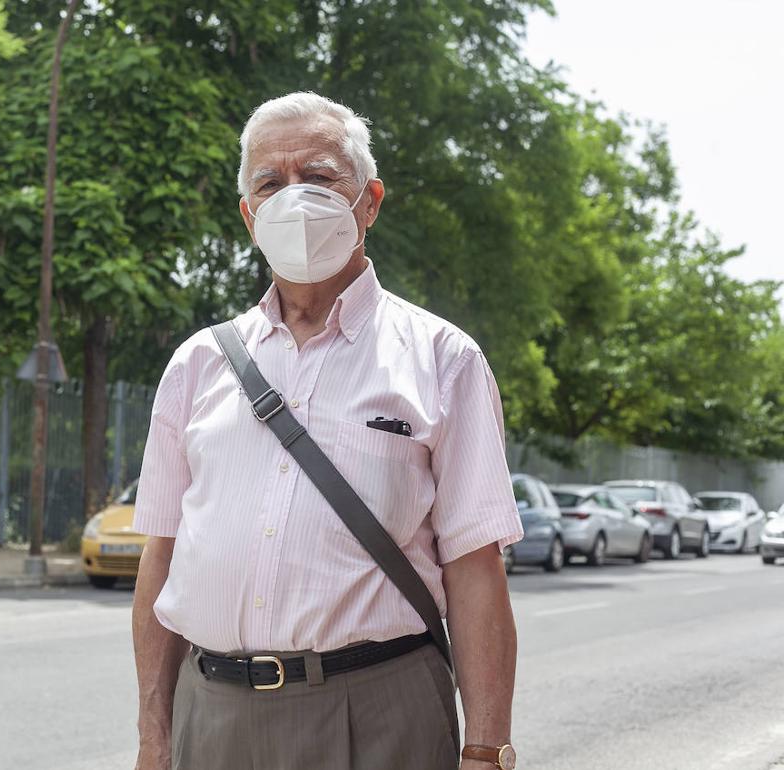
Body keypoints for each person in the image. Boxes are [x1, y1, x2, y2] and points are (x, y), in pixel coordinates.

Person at [130, 92, 523, 770]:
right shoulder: (198, 364)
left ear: (369, 202)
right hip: (213, 716)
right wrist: (153, 740)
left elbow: (475, 568)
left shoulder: (443, 359)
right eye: (271, 184)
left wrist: (485, 751)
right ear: (250, 217)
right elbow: (162, 557)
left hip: (380, 713)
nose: (295, 198)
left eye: (318, 176)